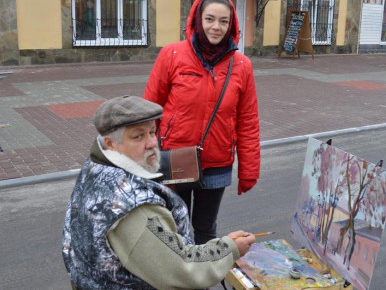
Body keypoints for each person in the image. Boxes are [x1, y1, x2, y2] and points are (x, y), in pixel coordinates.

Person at [62, 95, 255, 290]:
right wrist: (229, 248)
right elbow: (182, 270)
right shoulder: (134, 208)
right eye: (138, 136)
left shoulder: (96, 165)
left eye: (152, 132)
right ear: (111, 143)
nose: (151, 143)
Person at [143, 0, 260, 245]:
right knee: (176, 227)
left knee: (206, 229)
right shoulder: (172, 55)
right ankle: (177, 280)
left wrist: (249, 170)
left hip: (217, 162)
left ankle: (203, 278)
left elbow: (248, 121)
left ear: (232, 25)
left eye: (223, 21)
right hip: (176, 158)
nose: (216, 27)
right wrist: (145, 158)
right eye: (209, 19)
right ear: (197, 19)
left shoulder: (242, 65)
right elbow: (149, 111)